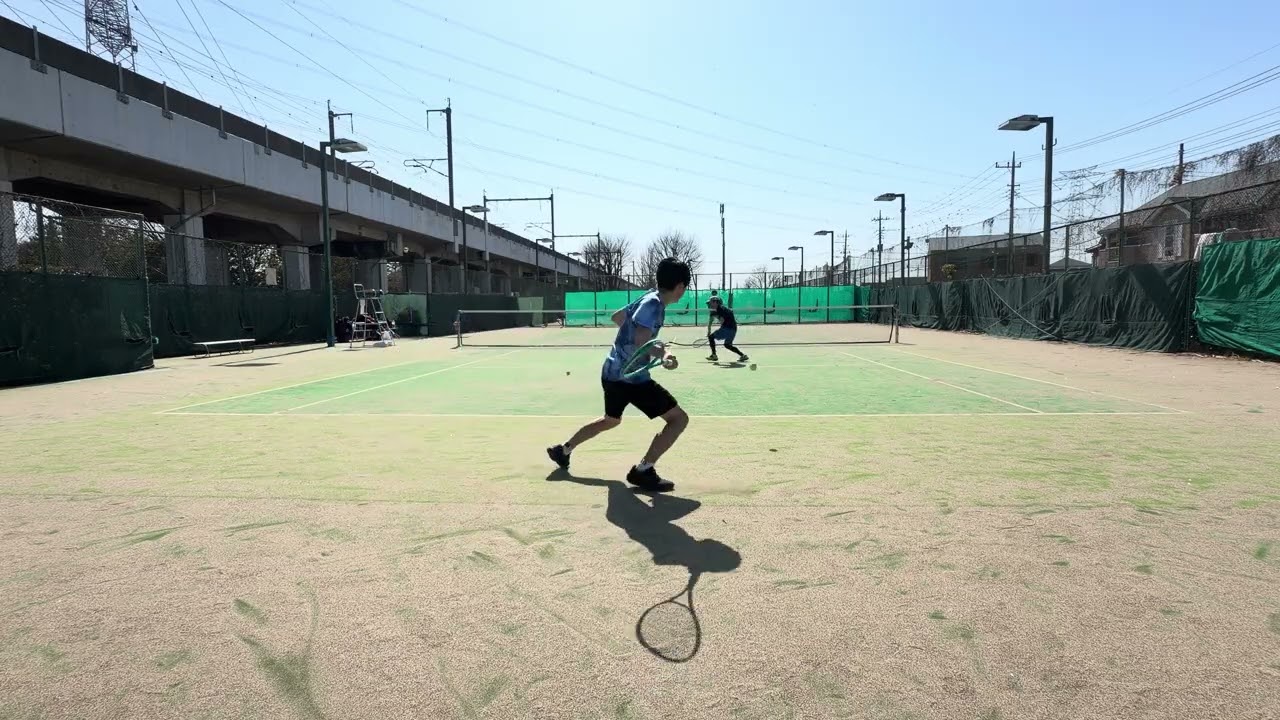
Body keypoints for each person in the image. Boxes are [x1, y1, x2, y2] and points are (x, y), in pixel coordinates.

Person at [546, 258, 691, 491]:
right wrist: (663, 354)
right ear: (681, 287)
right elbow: (641, 340)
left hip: (611, 372)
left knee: (610, 420)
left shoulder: (647, 297)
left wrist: (645, 345)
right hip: (632, 379)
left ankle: (563, 450)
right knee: (678, 419)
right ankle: (644, 470)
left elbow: (618, 317)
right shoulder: (654, 304)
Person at [705, 295, 749, 364]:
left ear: (715, 302)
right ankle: (743, 355)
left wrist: (718, 319)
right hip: (733, 329)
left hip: (727, 329)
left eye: (710, 303)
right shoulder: (723, 309)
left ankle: (714, 355)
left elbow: (722, 320)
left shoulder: (719, 310)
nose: (709, 305)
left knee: (711, 337)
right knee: (727, 345)